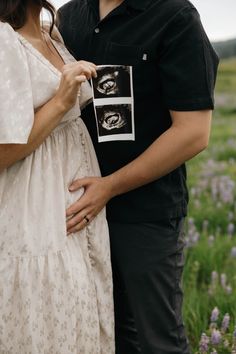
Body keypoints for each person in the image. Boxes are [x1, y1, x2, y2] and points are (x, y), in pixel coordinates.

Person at [58, 0, 219, 353]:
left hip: (147, 212)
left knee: (158, 339)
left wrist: (109, 187)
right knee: (105, 335)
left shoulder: (175, 16)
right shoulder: (69, 16)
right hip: (77, 209)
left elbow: (193, 132)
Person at [0, 1, 114, 353]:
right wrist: (61, 102)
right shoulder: (4, 39)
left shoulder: (53, 32)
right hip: (35, 209)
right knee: (47, 320)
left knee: (82, 314)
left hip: (77, 203)